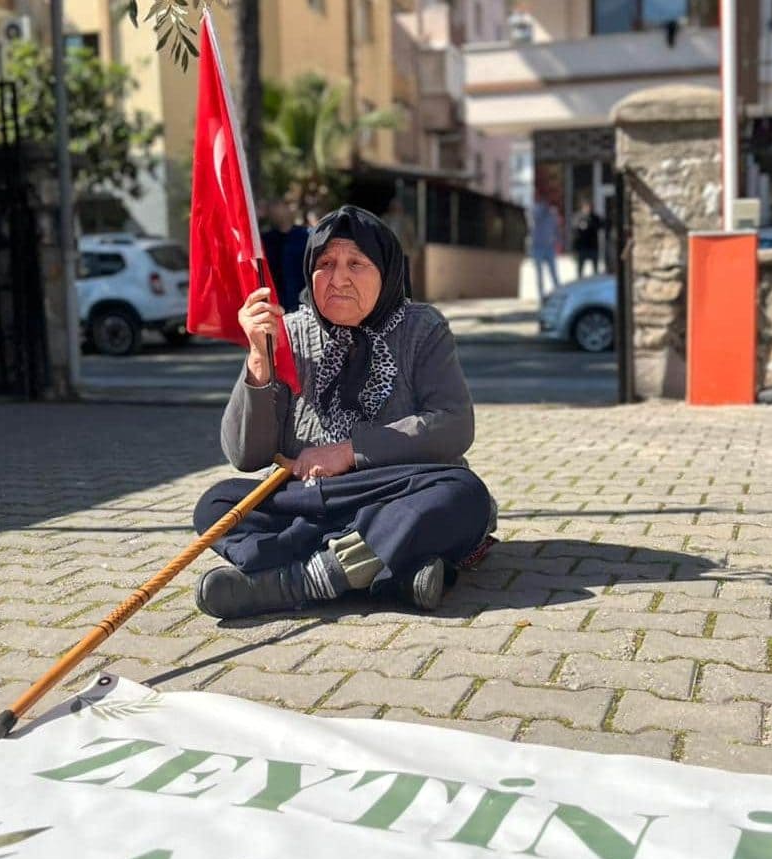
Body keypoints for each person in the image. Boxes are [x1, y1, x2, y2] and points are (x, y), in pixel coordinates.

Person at [192, 205, 495, 619]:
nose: (338, 279)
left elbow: (455, 424)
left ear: (386, 271)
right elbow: (247, 455)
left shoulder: (422, 328)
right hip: (311, 501)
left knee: (463, 494)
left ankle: (292, 581)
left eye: (357, 263)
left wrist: (349, 452)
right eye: (326, 263)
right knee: (217, 504)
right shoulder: (286, 333)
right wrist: (259, 363)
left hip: (394, 492)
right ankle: (387, 569)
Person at [260, 199, 309, 313]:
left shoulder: (307, 237)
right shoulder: (265, 242)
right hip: (278, 307)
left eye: (277, 204)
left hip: (305, 306)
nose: (274, 210)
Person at [530, 199, 560, 298]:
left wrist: (559, 242)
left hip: (549, 248)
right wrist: (544, 209)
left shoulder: (553, 215)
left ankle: (558, 294)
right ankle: (541, 296)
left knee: (554, 273)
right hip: (537, 248)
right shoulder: (537, 210)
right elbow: (535, 217)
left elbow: (556, 230)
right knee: (539, 274)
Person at [571, 199, 603, 278]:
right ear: (583, 207)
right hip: (582, 247)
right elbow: (574, 230)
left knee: (595, 269)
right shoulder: (578, 217)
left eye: (589, 207)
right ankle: (579, 282)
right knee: (580, 270)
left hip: (592, 246)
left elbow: (601, 226)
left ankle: (596, 281)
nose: (588, 208)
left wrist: (591, 224)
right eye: (586, 207)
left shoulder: (595, 217)